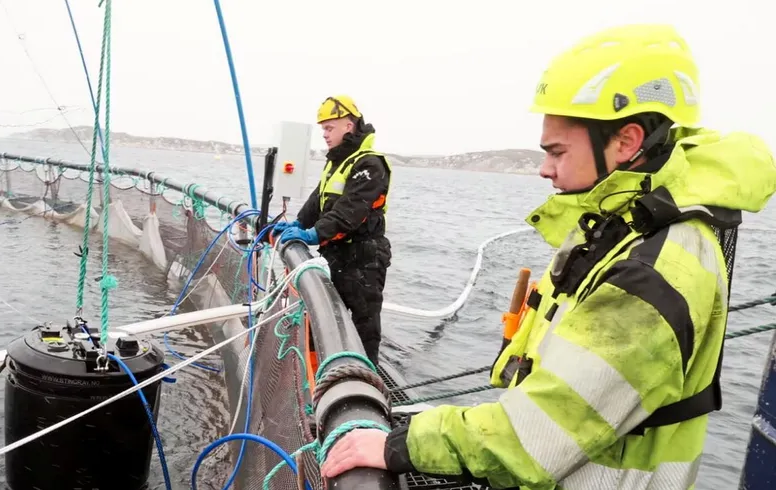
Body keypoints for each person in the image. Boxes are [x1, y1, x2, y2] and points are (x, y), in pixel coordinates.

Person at [318, 24, 776, 489]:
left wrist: (401, 445)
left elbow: (537, 434)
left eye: (557, 151)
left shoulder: (652, 272)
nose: (544, 168)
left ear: (627, 141)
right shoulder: (623, 224)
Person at [273, 95, 393, 366]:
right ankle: (319, 374)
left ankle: (365, 381)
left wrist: (311, 235)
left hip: (364, 258)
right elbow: (319, 199)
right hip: (337, 255)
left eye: (329, 128)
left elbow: (351, 211)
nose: (324, 135)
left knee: (365, 325)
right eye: (323, 129)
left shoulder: (370, 164)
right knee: (327, 315)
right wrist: (298, 225)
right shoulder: (338, 161)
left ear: (348, 126)